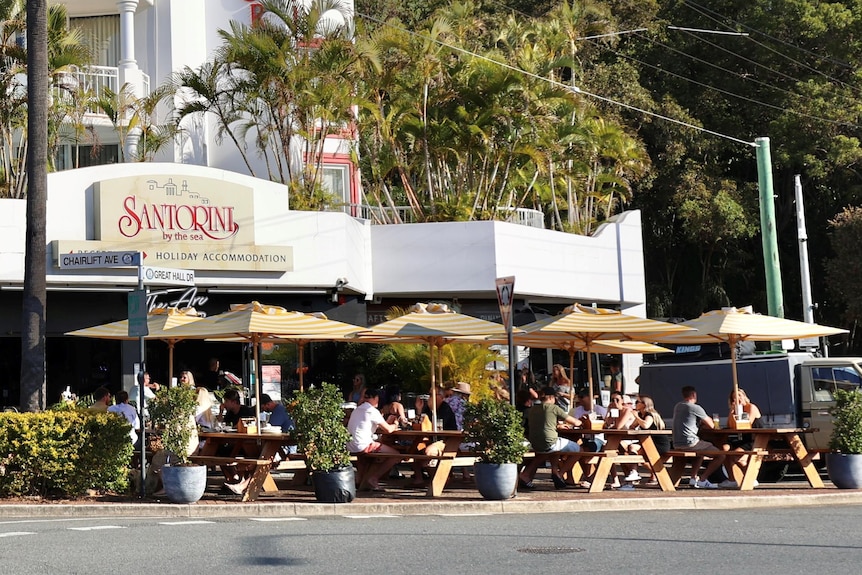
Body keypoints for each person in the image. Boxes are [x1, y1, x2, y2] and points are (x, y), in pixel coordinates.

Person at [519, 386, 583, 489]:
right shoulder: (554, 408)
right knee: (580, 450)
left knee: (552, 449)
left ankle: (530, 474)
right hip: (549, 441)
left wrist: (557, 425)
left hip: (534, 442)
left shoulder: (532, 409)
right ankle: (560, 474)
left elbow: (543, 423)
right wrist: (582, 421)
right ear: (551, 397)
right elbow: (576, 422)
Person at [346, 388, 401, 491]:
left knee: (365, 459)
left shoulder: (357, 410)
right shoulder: (371, 411)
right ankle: (373, 478)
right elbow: (388, 430)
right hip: (363, 445)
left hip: (350, 445)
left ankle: (360, 481)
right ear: (376, 398)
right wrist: (395, 425)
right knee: (396, 455)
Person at [672, 385, 724, 489]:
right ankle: (703, 479)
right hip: (690, 442)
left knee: (700, 451)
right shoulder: (695, 407)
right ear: (694, 395)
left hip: (677, 443)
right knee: (721, 455)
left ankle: (693, 478)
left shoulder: (678, 406)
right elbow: (712, 425)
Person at [720, 388, 763, 489]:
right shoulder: (736, 410)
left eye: (739, 395)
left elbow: (748, 424)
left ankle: (751, 477)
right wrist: (732, 410)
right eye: (734, 397)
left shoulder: (751, 407)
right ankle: (731, 479)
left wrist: (739, 414)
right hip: (741, 438)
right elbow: (729, 425)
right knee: (724, 449)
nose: (737, 398)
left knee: (736, 456)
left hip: (755, 439)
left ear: (744, 396)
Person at [631, 395, 670, 484]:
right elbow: (632, 426)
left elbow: (645, 425)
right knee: (630, 449)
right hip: (648, 442)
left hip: (659, 444)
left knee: (633, 449)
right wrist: (635, 421)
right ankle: (638, 472)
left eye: (637, 402)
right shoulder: (641, 414)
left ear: (644, 404)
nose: (635, 404)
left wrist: (636, 417)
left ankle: (637, 472)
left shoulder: (650, 415)